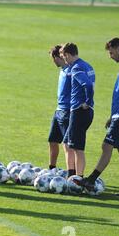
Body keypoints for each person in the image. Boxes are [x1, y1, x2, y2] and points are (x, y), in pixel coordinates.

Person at [81, 38, 119, 197]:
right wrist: (111, 116)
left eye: (111, 52)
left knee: (106, 146)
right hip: (118, 116)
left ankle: (91, 180)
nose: (110, 56)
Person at [60, 43, 95, 177]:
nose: (64, 60)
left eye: (64, 57)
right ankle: (71, 174)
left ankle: (78, 178)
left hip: (80, 111)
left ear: (68, 55)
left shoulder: (76, 67)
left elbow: (88, 85)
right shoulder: (87, 65)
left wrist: (87, 102)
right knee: (67, 142)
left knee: (77, 147)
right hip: (83, 112)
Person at [48, 45, 75, 175]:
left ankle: (72, 173)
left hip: (67, 111)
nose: (52, 62)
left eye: (52, 58)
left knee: (68, 144)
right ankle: (52, 169)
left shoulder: (71, 70)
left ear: (57, 57)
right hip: (58, 110)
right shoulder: (63, 70)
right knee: (52, 140)